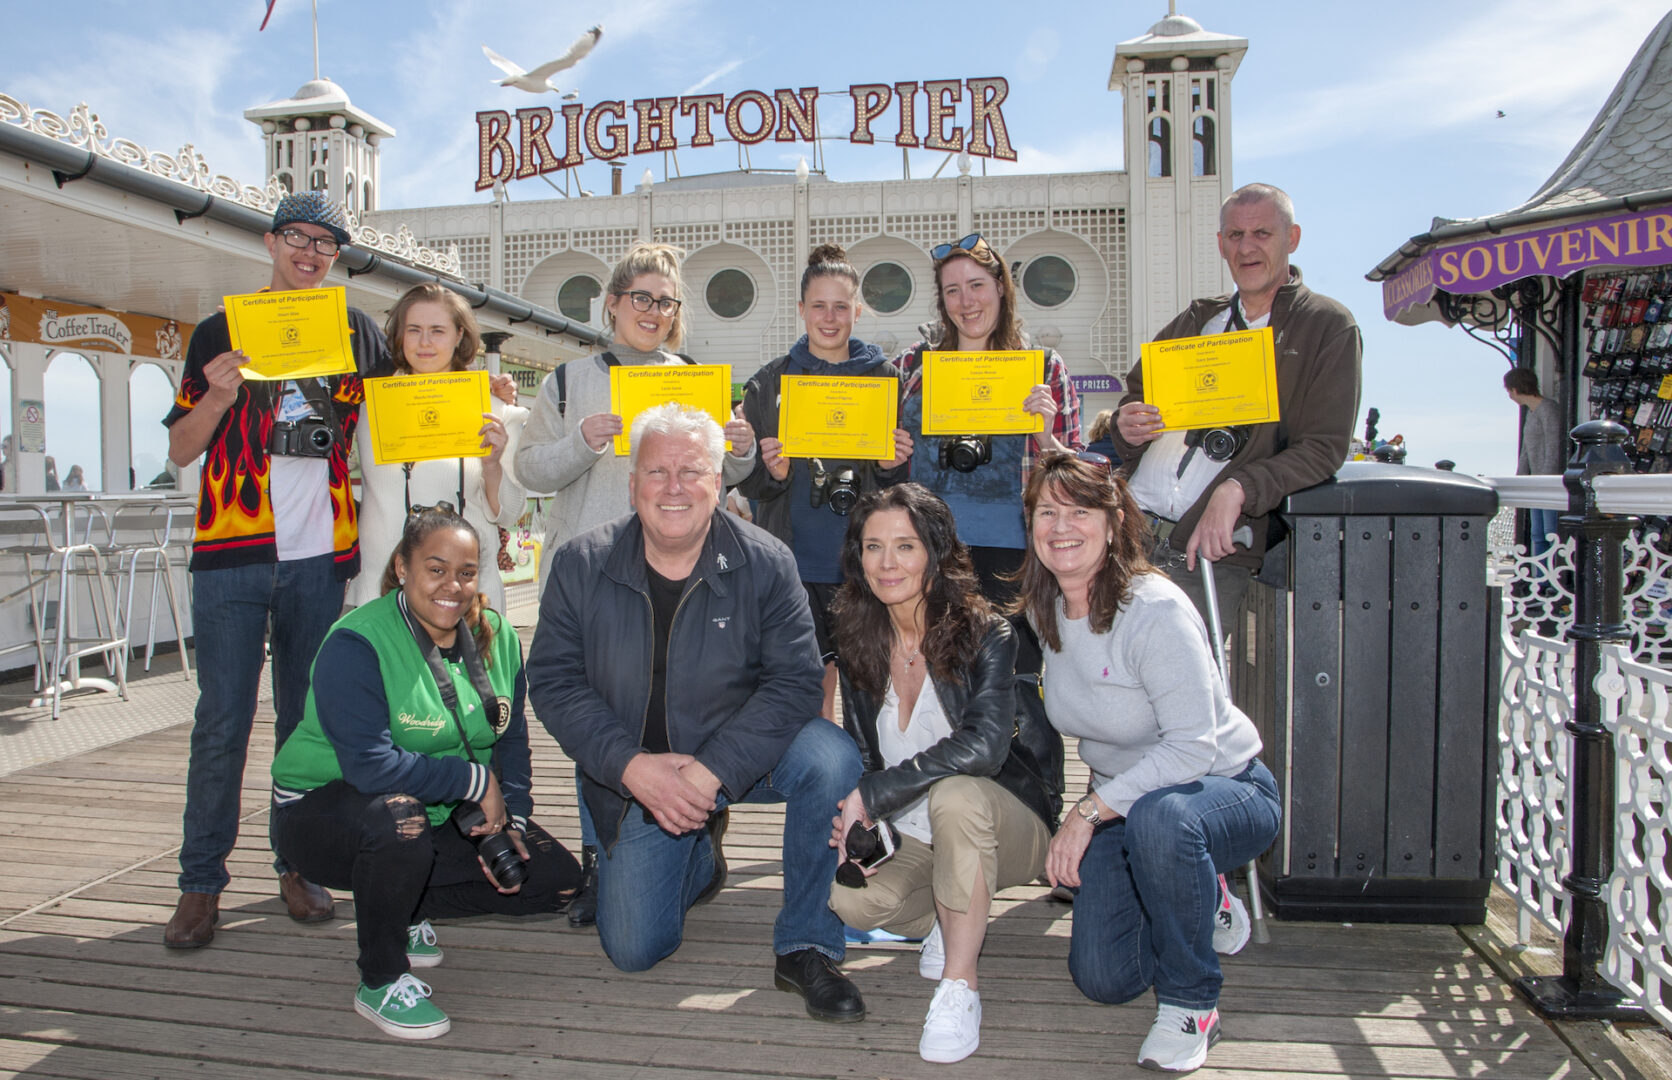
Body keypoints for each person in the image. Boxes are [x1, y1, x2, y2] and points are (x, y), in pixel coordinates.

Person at [526, 403, 866, 1023]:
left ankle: (807, 943)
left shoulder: (767, 562)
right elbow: (552, 681)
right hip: (635, 772)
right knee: (633, 949)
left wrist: (709, 775)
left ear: (719, 481)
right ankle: (700, 852)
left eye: (692, 471)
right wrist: (630, 767)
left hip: (741, 756)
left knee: (831, 757)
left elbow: (795, 683)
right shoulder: (580, 563)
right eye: (657, 472)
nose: (674, 487)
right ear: (632, 485)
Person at [161, 191, 391, 949]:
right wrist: (220, 396)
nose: (311, 250)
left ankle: (298, 862)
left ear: (336, 258)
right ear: (271, 242)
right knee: (222, 722)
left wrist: (481, 397)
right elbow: (181, 449)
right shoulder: (220, 330)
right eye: (298, 236)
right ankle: (200, 885)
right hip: (232, 551)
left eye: (326, 242)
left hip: (320, 558)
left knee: (304, 724)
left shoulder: (355, 329)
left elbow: (406, 411)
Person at [515, 241, 758, 929]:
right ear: (614, 304)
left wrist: (737, 449)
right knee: (601, 721)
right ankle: (604, 862)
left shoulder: (697, 379)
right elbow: (530, 471)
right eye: (642, 298)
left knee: (693, 709)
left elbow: (724, 478)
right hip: (596, 580)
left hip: (685, 577)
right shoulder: (568, 380)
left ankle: (698, 835)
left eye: (667, 302)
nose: (654, 312)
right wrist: (582, 444)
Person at [1014, 451, 1280, 1074]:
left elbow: (1194, 747)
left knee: (1164, 822)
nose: (1061, 526)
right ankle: (1193, 891)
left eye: (1080, 511)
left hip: (1223, 788)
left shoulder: (1152, 608)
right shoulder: (1043, 608)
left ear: (1113, 522)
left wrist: (1085, 814)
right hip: (1125, 804)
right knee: (1103, 978)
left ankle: (1192, 1002)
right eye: (1047, 511)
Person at [271, 506, 581, 1040]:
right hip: (324, 811)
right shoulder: (357, 642)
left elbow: (510, 735)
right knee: (399, 820)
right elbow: (371, 767)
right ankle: (381, 978)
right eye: (435, 569)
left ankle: (403, 904)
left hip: (435, 809)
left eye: (466, 572)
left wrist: (516, 819)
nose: (453, 586)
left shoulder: (497, 634)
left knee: (555, 884)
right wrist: (476, 784)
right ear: (400, 568)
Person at [826, 484, 1061, 1064]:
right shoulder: (858, 638)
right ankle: (953, 916)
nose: (887, 563)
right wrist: (859, 830)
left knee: (956, 794)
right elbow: (863, 754)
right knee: (853, 903)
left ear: (935, 551)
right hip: (919, 835)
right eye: (872, 546)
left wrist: (872, 793)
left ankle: (960, 985)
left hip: (1009, 818)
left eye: (904, 546)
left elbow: (982, 748)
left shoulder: (988, 632)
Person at [1113, 183, 1361, 628]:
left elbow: (1323, 448)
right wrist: (1127, 424)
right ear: (1221, 244)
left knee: (1181, 689)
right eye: (1234, 235)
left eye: (1262, 234)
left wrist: (1239, 487)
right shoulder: (1197, 319)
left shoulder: (1326, 326)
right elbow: (1134, 398)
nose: (1247, 248)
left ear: (1293, 238)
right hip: (1128, 535)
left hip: (1207, 552)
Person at [897, 233, 1083, 681]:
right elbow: (888, 467)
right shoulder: (913, 368)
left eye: (977, 285)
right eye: (952, 290)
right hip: (932, 553)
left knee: (1013, 684)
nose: (967, 301)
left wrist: (1047, 438)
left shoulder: (1043, 367)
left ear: (1001, 287)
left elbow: (1078, 480)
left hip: (1014, 555)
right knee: (939, 681)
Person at [739, 243, 913, 720]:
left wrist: (896, 464)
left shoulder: (887, 380)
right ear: (801, 310)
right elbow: (748, 483)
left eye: (841, 306)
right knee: (810, 694)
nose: (830, 317)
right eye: (819, 306)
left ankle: (871, 788)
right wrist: (770, 474)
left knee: (872, 691)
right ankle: (824, 786)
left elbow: (905, 487)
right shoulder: (769, 383)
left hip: (865, 565)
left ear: (858, 310)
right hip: (794, 563)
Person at [350, 283, 528, 614]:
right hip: (382, 594)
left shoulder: (495, 409)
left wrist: (491, 466)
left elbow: (509, 513)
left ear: (460, 335)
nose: (425, 342)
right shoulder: (368, 407)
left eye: (437, 330)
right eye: (414, 330)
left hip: (465, 598)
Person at [1503, 367, 1564, 557]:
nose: (1510, 396)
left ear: (1515, 389)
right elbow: (1526, 450)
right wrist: (1521, 480)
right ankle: (1541, 580)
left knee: (1550, 533)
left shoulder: (1548, 409)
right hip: (1536, 484)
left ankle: (1553, 580)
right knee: (1537, 534)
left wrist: (1546, 480)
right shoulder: (1531, 412)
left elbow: (1554, 446)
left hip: (1548, 484)